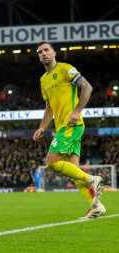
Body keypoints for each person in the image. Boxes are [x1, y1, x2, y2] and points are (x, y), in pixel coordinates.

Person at [33, 41, 105, 219]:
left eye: (46, 50)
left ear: (54, 52)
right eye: (40, 52)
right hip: (62, 126)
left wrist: (77, 110)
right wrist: (42, 127)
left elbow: (87, 87)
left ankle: (93, 179)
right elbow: (49, 108)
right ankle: (97, 207)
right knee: (75, 172)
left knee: (51, 161)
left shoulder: (66, 69)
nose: (43, 54)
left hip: (71, 125)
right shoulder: (43, 80)